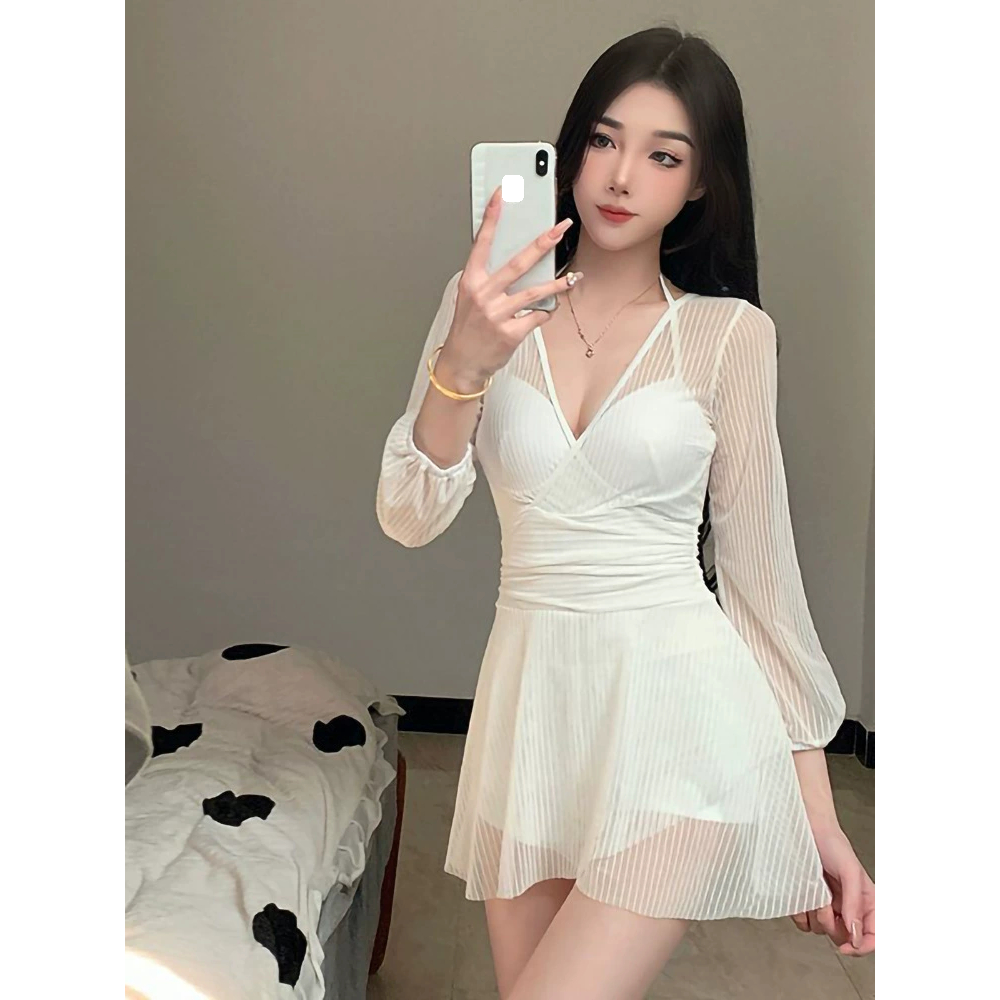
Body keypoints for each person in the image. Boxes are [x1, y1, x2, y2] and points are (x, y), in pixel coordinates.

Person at [376, 25, 875, 1000]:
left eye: (663, 155)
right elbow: (407, 513)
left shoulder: (728, 336)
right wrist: (463, 362)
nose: (619, 175)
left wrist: (817, 818)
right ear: (570, 148)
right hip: (529, 719)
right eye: (604, 140)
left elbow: (762, 586)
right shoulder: (480, 309)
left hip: (680, 718)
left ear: (701, 183)